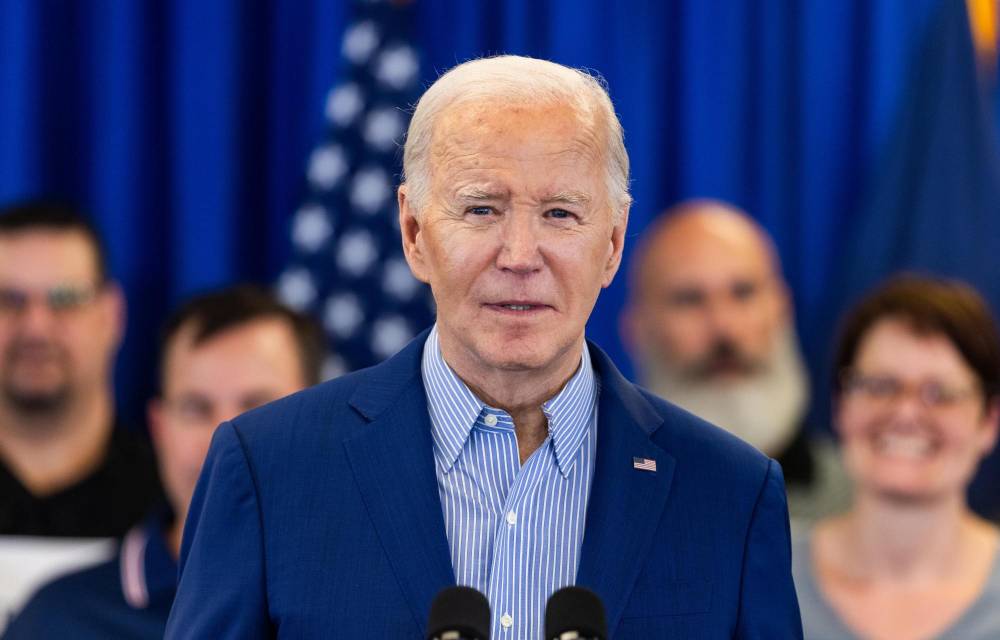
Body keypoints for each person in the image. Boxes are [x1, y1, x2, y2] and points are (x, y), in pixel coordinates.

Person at [166, 55, 802, 639]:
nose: (520, 256)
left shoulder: (731, 493)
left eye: (559, 213)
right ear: (414, 232)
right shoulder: (268, 468)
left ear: (611, 243)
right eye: (480, 210)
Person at [3, 285, 323, 639]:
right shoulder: (56, 623)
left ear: (321, 421)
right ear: (159, 428)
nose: (224, 443)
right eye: (195, 408)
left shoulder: (380, 601)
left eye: (258, 407)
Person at [793, 275, 1000, 640]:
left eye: (940, 393)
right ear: (841, 405)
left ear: (989, 421)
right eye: (879, 386)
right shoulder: (766, 578)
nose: (905, 413)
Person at [623, 200, 850, 523]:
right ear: (637, 329)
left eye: (743, 293)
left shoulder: (861, 500)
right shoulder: (595, 503)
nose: (723, 326)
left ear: (781, 309)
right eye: (690, 299)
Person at [0, 200, 162, 537]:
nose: (36, 328)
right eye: (8, 300)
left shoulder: (172, 503)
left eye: (65, 299)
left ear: (112, 315)